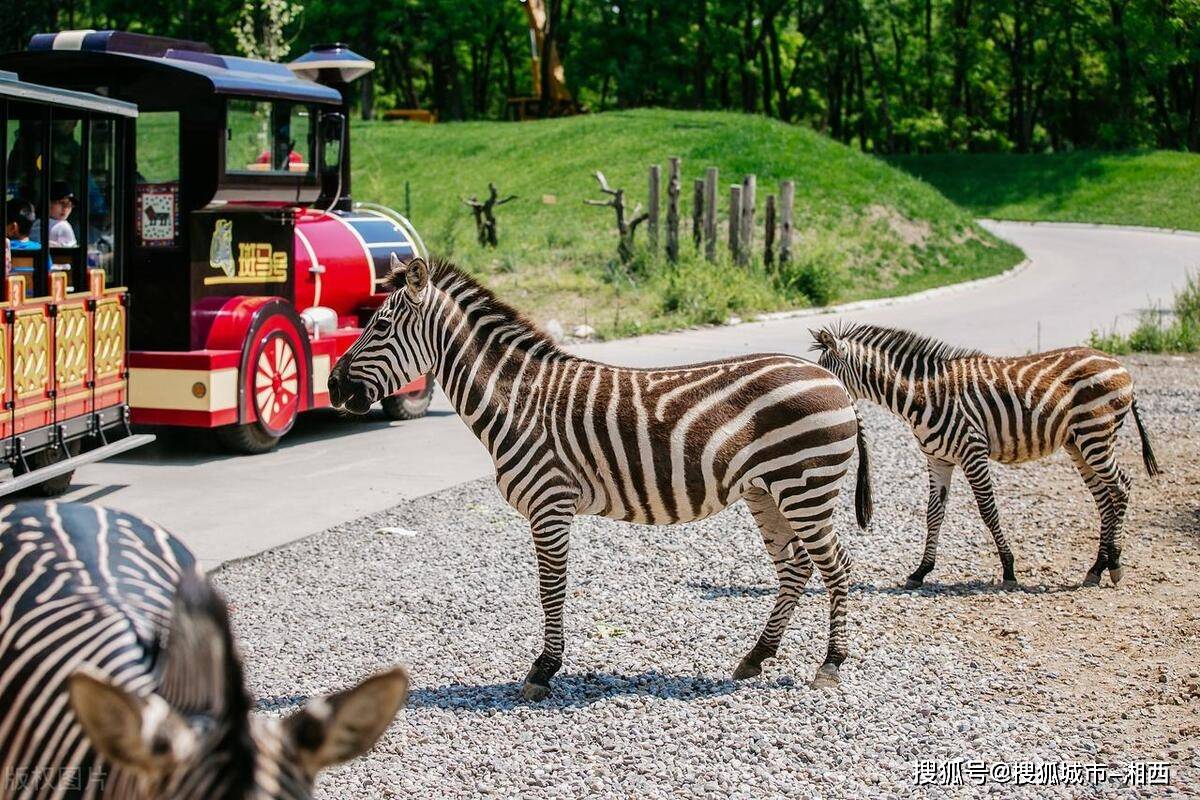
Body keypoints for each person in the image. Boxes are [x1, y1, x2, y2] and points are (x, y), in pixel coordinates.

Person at [48, 181, 78, 247]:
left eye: (70, 204)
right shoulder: (63, 226)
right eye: (62, 203)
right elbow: (72, 255)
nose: (66, 208)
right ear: (49, 203)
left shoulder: (36, 223)